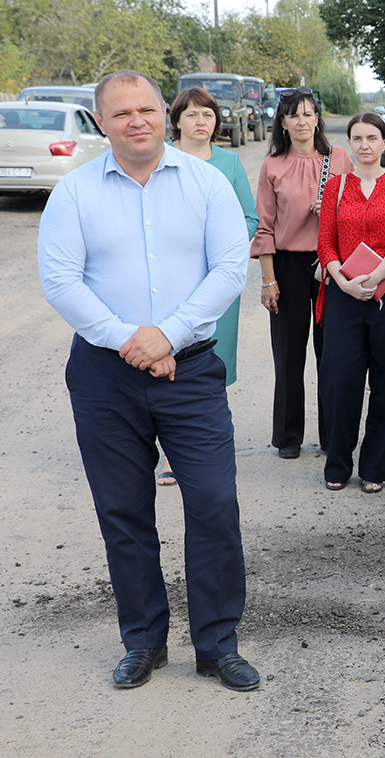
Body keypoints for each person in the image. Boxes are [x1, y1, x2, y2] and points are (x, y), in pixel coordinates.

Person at [38, 70, 259, 691]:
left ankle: (217, 645)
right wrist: (131, 343)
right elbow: (61, 281)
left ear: (166, 112)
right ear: (101, 122)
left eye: (146, 109)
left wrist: (168, 334)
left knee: (215, 506)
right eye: (121, 113)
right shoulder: (75, 192)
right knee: (123, 510)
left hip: (190, 373)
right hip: (105, 379)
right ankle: (144, 641)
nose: (137, 121)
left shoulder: (208, 182)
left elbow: (226, 268)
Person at [156, 86, 258, 486]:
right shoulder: (159, 158)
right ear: (176, 120)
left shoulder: (229, 163)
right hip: (168, 282)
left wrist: (220, 254)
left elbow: (249, 219)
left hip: (215, 285)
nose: (202, 122)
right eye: (193, 115)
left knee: (208, 364)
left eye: (209, 115)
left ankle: (203, 447)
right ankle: (168, 455)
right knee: (167, 358)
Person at [316, 112, 385, 492]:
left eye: (372, 138)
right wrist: (343, 280)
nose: (364, 145)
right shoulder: (336, 186)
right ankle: (338, 465)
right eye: (357, 138)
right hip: (343, 296)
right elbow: (325, 241)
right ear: (350, 144)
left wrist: (374, 278)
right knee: (341, 383)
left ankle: (374, 468)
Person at [251, 88, 353, 459]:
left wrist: (335, 206)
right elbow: (264, 226)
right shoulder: (273, 165)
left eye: (308, 114)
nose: (302, 121)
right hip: (289, 265)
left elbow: (360, 209)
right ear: (282, 122)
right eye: (293, 115)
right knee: (289, 354)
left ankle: (332, 437)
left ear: (318, 119)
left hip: (331, 264)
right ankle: (289, 436)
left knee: (334, 354)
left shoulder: (339, 158)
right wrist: (268, 278)